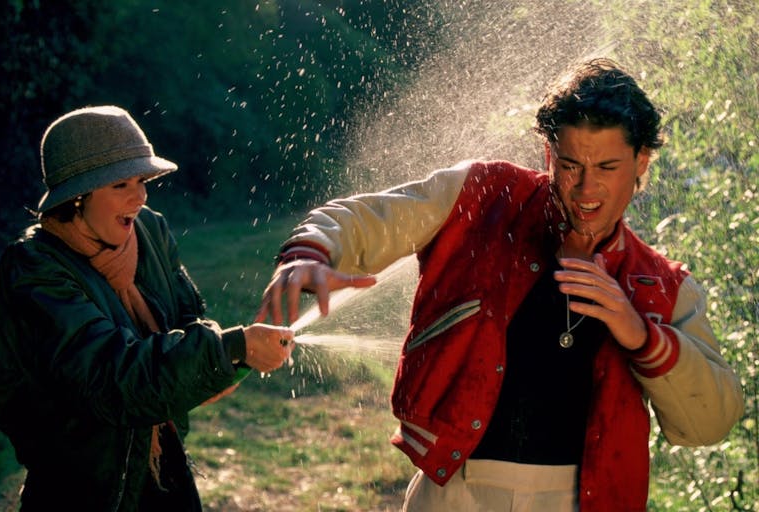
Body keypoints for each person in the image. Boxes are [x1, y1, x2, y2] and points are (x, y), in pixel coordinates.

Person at [255, 58, 744, 511]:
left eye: (607, 168)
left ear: (642, 162)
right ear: (548, 154)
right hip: (454, 493)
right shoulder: (481, 195)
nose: (586, 188)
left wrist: (638, 332)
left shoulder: (663, 284)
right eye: (571, 165)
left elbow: (712, 421)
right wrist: (310, 253)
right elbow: (361, 218)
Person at [0, 105, 295, 511]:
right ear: (77, 197)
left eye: (142, 180)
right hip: (80, 492)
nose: (140, 196)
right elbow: (112, 380)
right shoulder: (33, 272)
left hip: (163, 470)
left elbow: (190, 320)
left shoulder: (149, 230)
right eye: (121, 184)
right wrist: (229, 349)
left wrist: (226, 361)